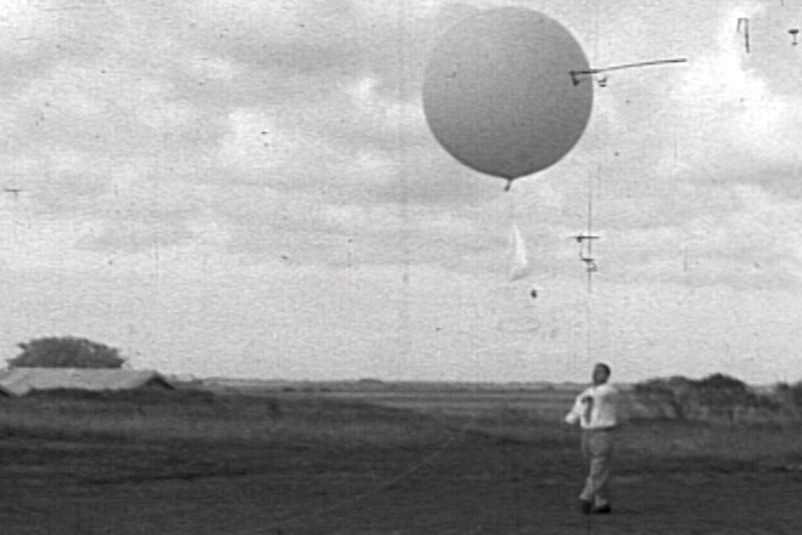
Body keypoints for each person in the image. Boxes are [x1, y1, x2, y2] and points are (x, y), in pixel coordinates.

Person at [564, 362, 620, 514]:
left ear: (607, 375)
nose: (596, 375)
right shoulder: (587, 393)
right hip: (587, 433)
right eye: (595, 372)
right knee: (595, 469)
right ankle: (603, 502)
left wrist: (584, 399)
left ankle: (586, 497)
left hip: (602, 432)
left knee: (598, 467)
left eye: (600, 372)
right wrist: (571, 419)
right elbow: (578, 410)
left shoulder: (609, 391)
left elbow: (595, 396)